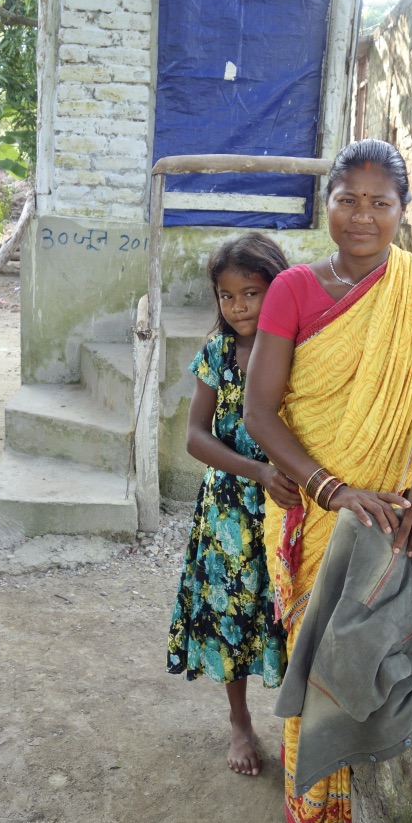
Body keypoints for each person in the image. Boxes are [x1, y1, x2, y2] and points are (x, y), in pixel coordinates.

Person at [243, 139, 412, 823]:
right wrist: (333, 489)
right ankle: (318, 815)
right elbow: (262, 414)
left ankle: (379, 815)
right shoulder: (292, 288)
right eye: (346, 199)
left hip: (398, 511)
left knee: (383, 655)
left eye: (379, 202)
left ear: (402, 210)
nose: (361, 216)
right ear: (326, 206)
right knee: (320, 649)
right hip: (317, 510)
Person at [167, 231, 301, 776]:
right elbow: (197, 438)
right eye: (228, 295)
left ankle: (298, 728)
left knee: (291, 615)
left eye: (252, 292)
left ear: (280, 290)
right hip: (229, 515)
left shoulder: (304, 352)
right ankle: (241, 723)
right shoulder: (217, 355)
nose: (239, 306)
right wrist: (258, 471)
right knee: (231, 614)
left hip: (290, 507)